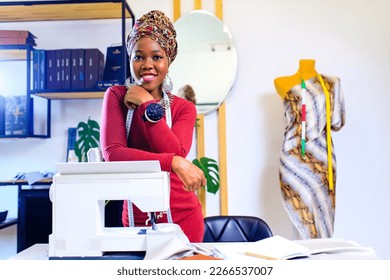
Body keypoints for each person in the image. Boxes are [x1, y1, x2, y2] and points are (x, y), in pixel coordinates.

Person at [100, 10, 206, 242]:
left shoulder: (184, 108)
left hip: (183, 219)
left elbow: (176, 151)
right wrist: (173, 162)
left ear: (169, 60)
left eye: (156, 57)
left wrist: (147, 104)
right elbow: (114, 154)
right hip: (134, 220)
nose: (147, 65)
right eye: (139, 57)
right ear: (129, 59)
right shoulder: (116, 97)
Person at [274, 59, 346, 239]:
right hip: (293, 157)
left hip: (322, 158)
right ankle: (300, 261)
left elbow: (337, 121)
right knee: (300, 213)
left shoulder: (332, 83)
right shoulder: (281, 82)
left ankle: (319, 262)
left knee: (323, 217)